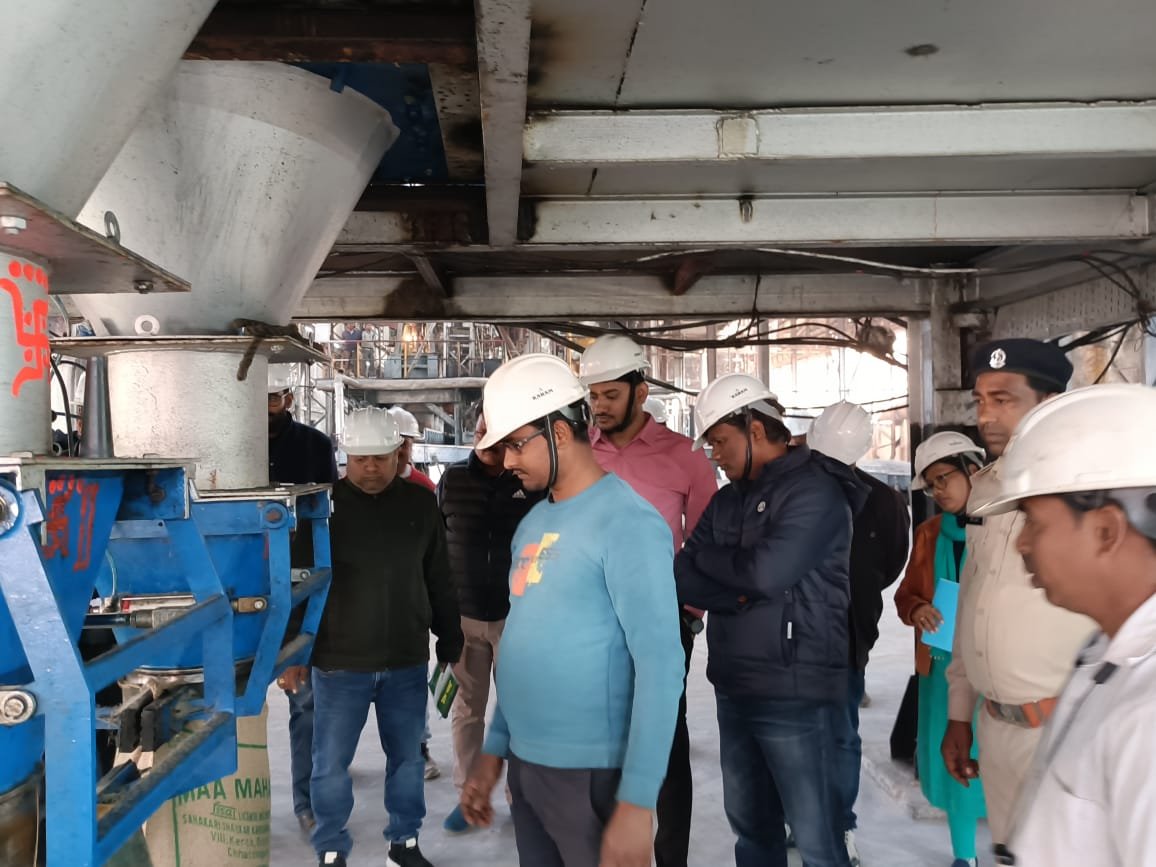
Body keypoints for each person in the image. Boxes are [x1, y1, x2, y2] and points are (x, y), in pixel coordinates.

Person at [459, 354, 685, 867]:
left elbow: (661, 666)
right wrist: (494, 751)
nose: (507, 461)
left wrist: (637, 800)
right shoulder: (533, 523)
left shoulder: (627, 523)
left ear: (559, 433)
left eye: (516, 444)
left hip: (593, 773)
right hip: (528, 765)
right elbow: (525, 647)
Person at [675, 373, 866, 867]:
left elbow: (766, 573)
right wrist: (740, 590)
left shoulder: (816, 493)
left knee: (817, 838)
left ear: (755, 429)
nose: (715, 455)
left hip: (796, 692)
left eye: (720, 441)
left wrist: (724, 569)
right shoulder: (727, 500)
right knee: (752, 831)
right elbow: (683, 575)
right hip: (735, 687)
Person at [969, 384, 1156, 867]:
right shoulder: (1106, 653)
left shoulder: (1149, 714)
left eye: (1034, 521)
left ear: (1106, 531)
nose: (1022, 544)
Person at [281, 407, 463, 867]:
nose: (370, 468)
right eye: (360, 459)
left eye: (380, 458)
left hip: (405, 658)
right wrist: (291, 652)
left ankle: (404, 844)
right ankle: (331, 849)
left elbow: (439, 577)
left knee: (407, 760)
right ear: (346, 456)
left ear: (398, 454)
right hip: (338, 663)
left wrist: (449, 640)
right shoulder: (320, 510)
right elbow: (297, 585)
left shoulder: (420, 504)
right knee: (330, 763)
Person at [941, 339, 1096, 847]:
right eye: (980, 400)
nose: (986, 415)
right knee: (1011, 852)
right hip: (996, 727)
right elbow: (973, 605)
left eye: (1003, 399)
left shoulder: (1090, 487)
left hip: (1068, 732)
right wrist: (959, 713)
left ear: (1048, 402)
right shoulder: (987, 488)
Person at [579, 334, 720, 867]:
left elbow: (705, 542)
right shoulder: (577, 453)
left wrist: (687, 614)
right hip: (591, 626)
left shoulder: (685, 457)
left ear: (641, 391)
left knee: (664, 747)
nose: (600, 406)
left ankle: (670, 858)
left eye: (611, 395)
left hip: (661, 625)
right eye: (594, 395)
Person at [808, 401, 911, 867]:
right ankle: (805, 819)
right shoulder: (792, 492)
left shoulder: (883, 502)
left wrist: (859, 594)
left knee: (839, 735)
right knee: (803, 734)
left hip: (848, 635)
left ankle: (839, 824)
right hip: (792, 635)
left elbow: (891, 564)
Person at [436, 400, 543, 833]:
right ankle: (468, 795)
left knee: (520, 709)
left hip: (517, 616)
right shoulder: (453, 480)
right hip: (463, 617)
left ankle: (521, 797)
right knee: (467, 709)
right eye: (481, 431)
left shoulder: (529, 484)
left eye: (495, 435)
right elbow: (436, 545)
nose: (485, 441)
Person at [894, 431, 989, 867]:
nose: (938, 491)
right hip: (940, 665)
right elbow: (906, 594)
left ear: (973, 470)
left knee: (999, 758)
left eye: (944, 478)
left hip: (994, 664)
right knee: (953, 761)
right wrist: (917, 609)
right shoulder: (930, 534)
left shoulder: (1007, 525)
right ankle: (964, 855)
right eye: (931, 485)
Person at [267, 363, 338, 835]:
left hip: (299, 582)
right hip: (240, 580)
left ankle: (306, 802)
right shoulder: (228, 441)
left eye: (272, 399)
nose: (265, 409)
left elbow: (327, 516)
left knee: (306, 703)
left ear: (289, 398)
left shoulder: (314, 446)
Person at [389, 406, 437, 493]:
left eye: (403, 444)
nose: (398, 450)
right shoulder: (368, 483)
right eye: (391, 444)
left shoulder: (425, 487)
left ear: (412, 445)